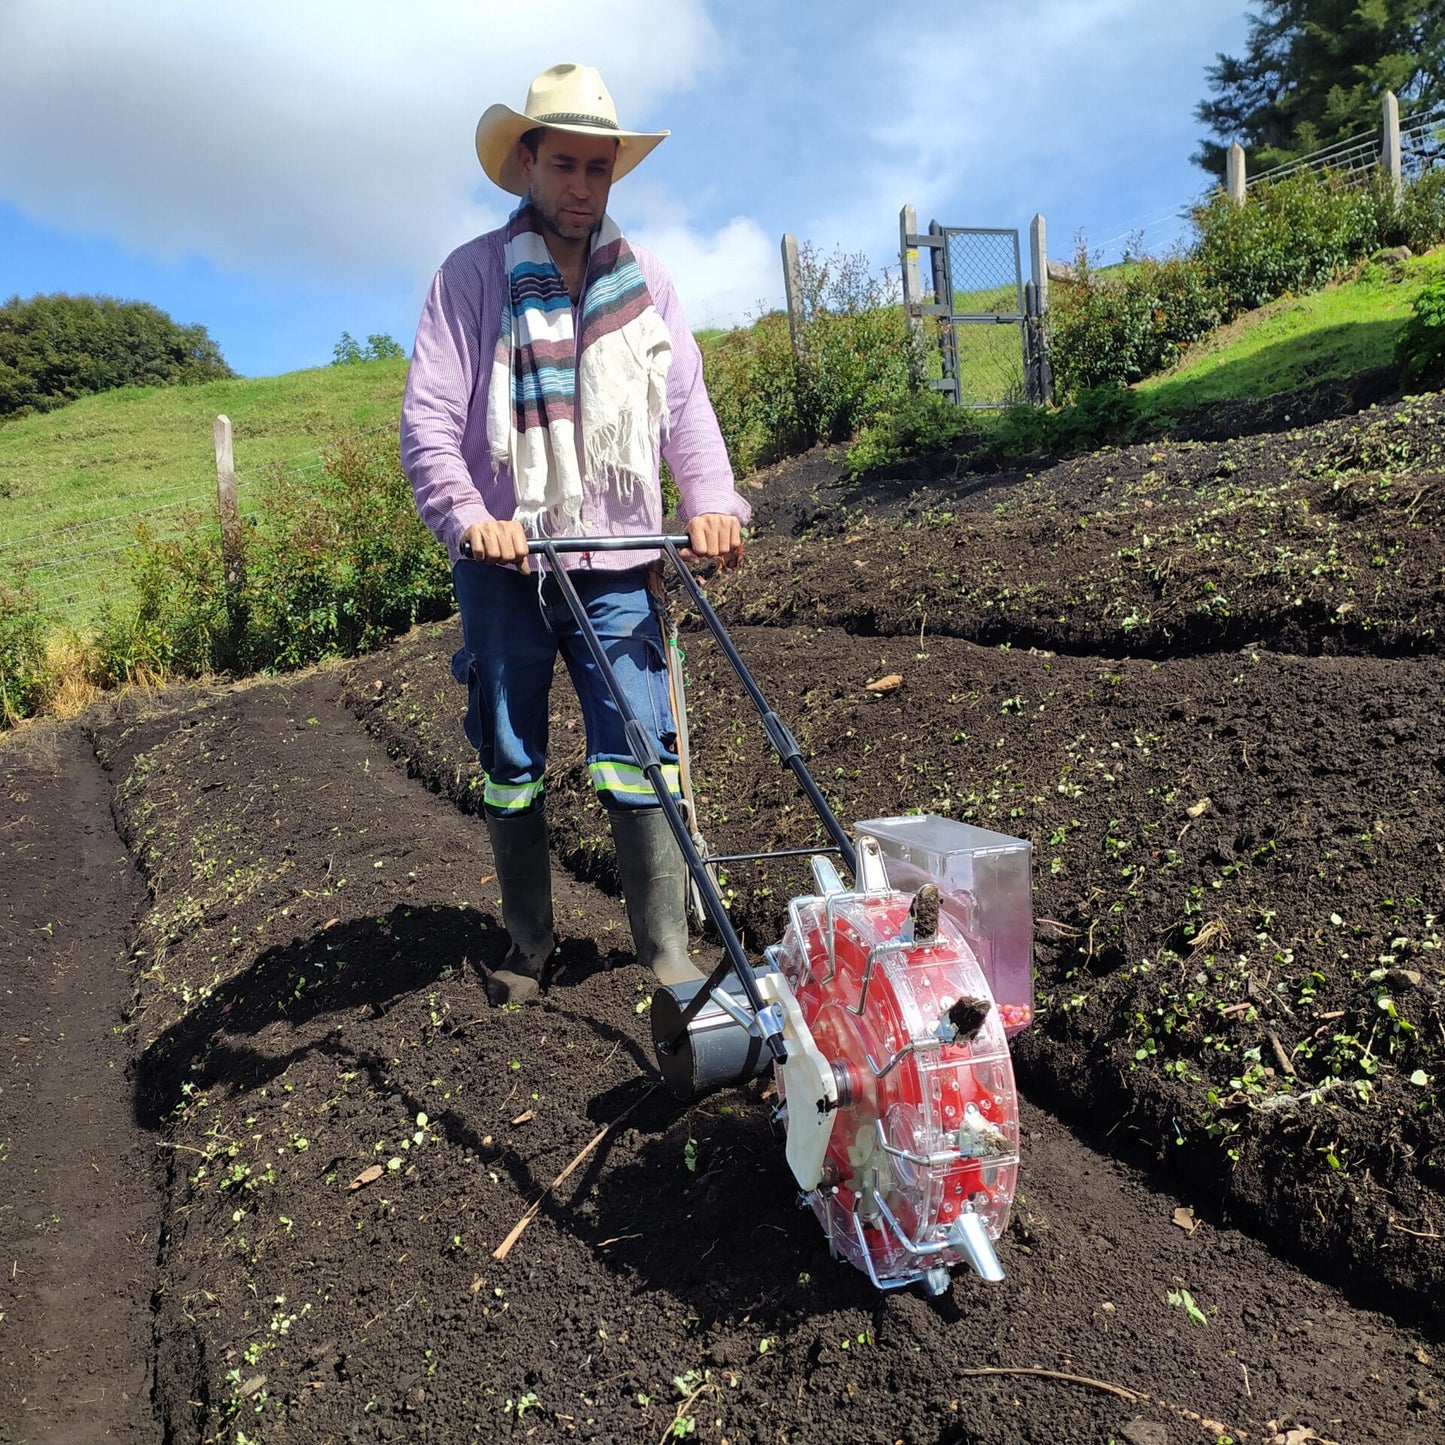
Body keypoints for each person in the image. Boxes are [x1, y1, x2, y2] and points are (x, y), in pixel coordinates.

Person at [401, 62, 749, 1005]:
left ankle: (667, 950)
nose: (582, 187)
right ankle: (527, 946)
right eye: (564, 165)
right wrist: (471, 520)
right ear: (525, 163)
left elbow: (686, 413)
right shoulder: (470, 279)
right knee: (510, 752)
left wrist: (711, 503)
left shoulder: (646, 286)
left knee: (642, 741)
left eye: (599, 169)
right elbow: (428, 422)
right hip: (505, 562)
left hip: (620, 558)